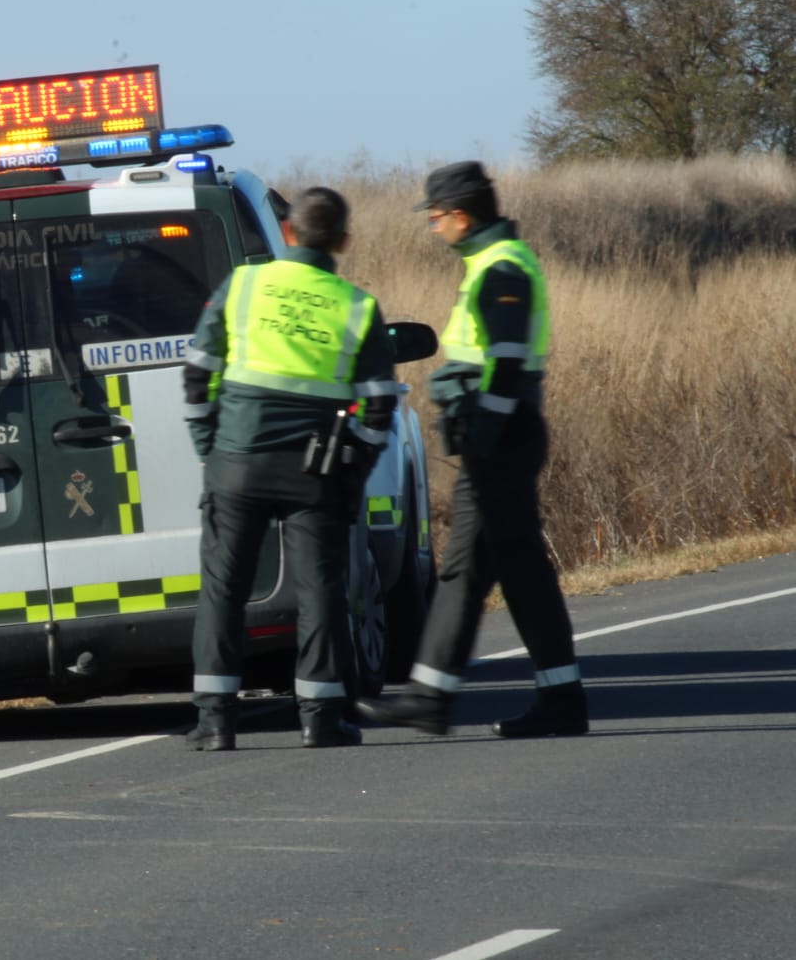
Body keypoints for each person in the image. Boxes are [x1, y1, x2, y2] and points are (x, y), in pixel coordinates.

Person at [357, 161, 587, 739]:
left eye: (436, 219)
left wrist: (485, 432)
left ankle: (434, 697)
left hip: (501, 442)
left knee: (478, 566)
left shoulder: (500, 268)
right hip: (501, 439)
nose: (434, 229)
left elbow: (507, 363)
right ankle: (551, 700)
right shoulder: (492, 262)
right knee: (499, 568)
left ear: (461, 215)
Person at [182, 187, 398, 750]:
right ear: (344, 242)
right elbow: (379, 406)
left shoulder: (244, 284)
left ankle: (214, 723)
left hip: (237, 459)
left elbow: (198, 370)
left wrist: (208, 442)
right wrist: (354, 468)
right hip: (314, 469)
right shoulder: (357, 306)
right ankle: (321, 718)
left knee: (223, 589)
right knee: (321, 588)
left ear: (290, 233)